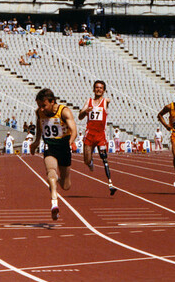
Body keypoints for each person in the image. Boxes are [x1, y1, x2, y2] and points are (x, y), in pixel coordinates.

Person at [30, 88, 77, 220]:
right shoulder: (39, 112)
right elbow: (40, 127)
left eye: (44, 106)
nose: (42, 109)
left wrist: (71, 142)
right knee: (51, 171)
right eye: (39, 106)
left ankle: (56, 182)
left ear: (52, 102)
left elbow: (74, 130)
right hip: (50, 146)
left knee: (66, 186)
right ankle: (54, 203)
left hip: (64, 147)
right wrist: (36, 142)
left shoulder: (64, 112)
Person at [78, 80, 116, 195]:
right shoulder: (88, 101)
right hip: (89, 135)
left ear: (104, 90)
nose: (99, 89)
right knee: (86, 160)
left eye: (101, 88)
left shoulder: (105, 101)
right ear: (93, 89)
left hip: (100, 135)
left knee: (104, 158)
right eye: (97, 87)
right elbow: (80, 116)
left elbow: (107, 102)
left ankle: (110, 184)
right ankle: (90, 163)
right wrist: (85, 111)